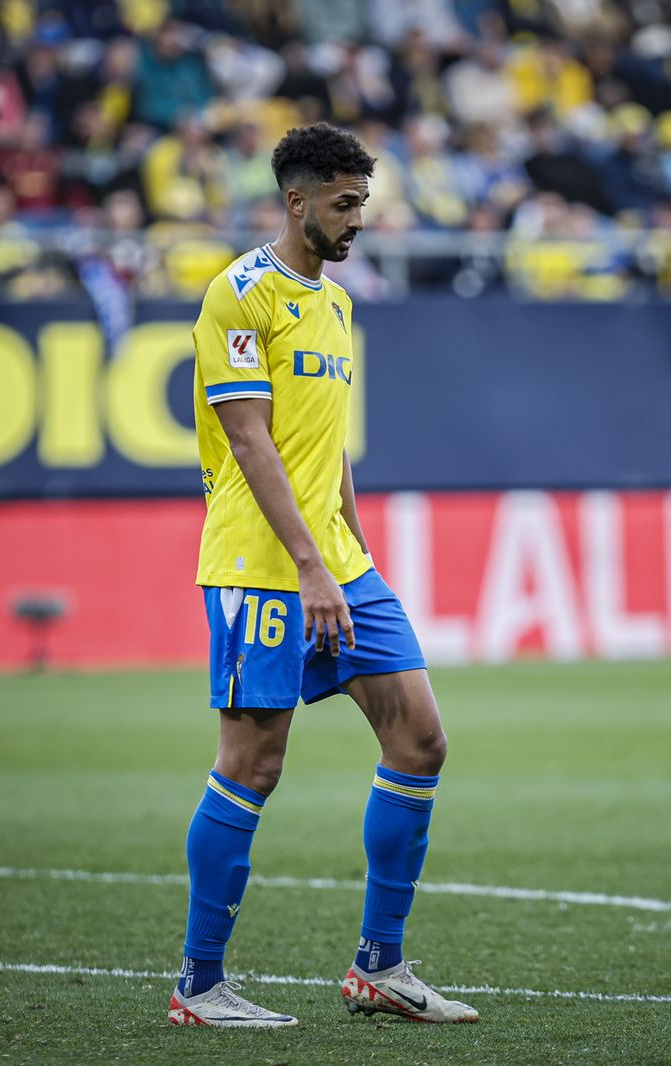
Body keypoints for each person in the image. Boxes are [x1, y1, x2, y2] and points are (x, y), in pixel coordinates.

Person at [171, 122, 478, 1028]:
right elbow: (249, 436)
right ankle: (200, 984)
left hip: (337, 564)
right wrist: (309, 565)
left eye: (363, 204)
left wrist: (349, 543)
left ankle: (378, 967)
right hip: (262, 566)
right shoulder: (238, 295)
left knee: (420, 739)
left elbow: (324, 438)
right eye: (344, 204)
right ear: (296, 201)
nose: (357, 221)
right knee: (253, 764)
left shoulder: (338, 306)